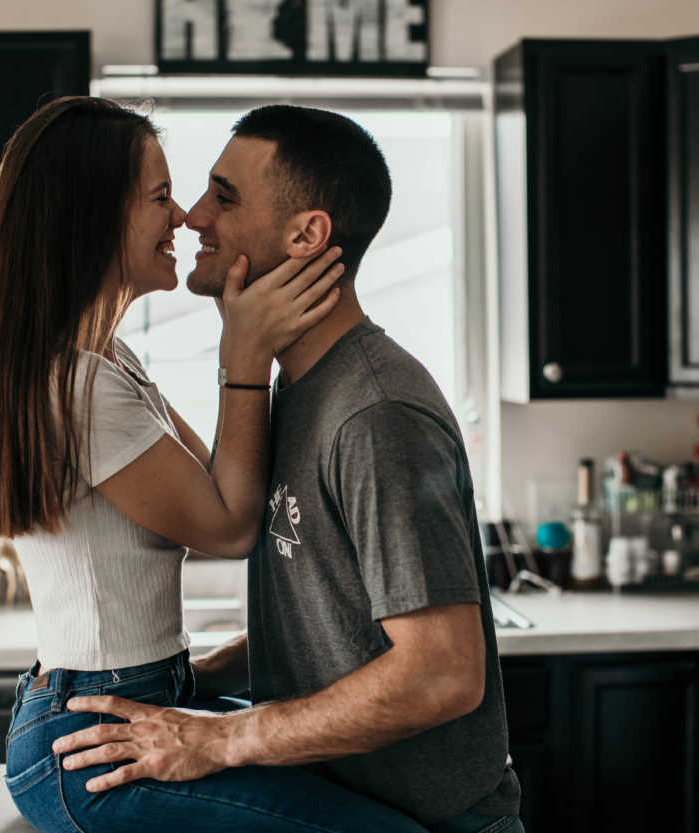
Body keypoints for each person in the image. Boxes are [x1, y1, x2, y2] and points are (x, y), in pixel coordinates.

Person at [0, 96, 432, 833]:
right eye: (161, 197)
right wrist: (244, 359)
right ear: (93, 215)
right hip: (96, 734)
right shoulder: (78, 385)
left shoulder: (108, 363)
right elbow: (230, 524)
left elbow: (224, 485)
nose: (184, 218)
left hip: (129, 699)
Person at [52, 105, 525, 833]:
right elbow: (332, 625)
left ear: (306, 235)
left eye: (224, 196)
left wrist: (219, 735)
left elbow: (441, 672)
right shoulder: (300, 388)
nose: (194, 216)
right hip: (343, 803)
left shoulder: (375, 411)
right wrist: (195, 684)